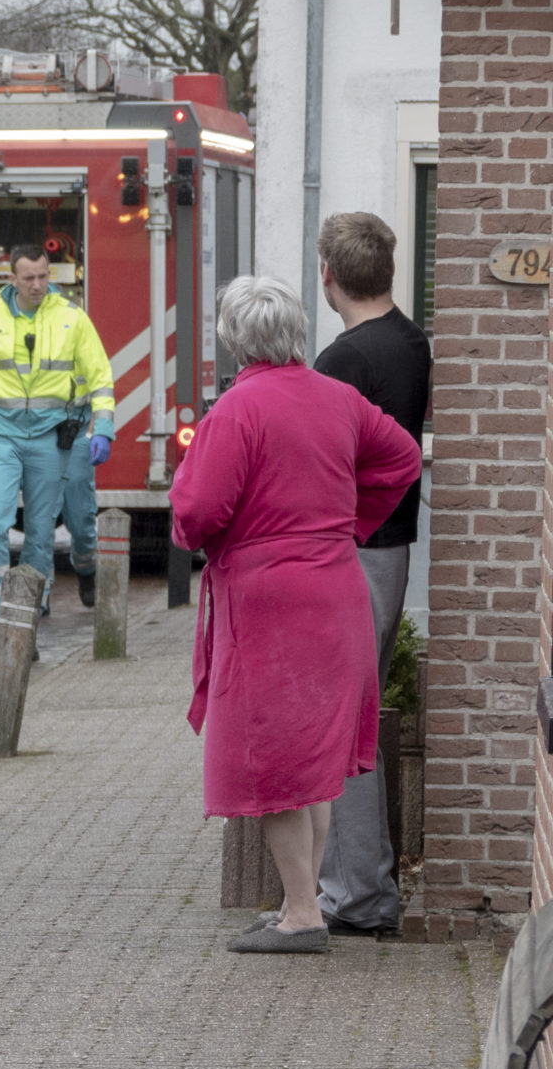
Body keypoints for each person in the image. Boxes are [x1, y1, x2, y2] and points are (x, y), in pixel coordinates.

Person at [169, 275, 422, 954]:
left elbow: (195, 515)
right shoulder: (339, 399)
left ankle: (303, 914)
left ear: (234, 339)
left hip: (269, 602)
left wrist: (218, 534)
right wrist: (353, 522)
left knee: (277, 760)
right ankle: (297, 905)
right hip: (338, 590)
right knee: (314, 758)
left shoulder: (238, 410)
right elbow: (404, 456)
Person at [310, 213, 431, 937]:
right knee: (359, 712)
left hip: (351, 550)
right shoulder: (415, 344)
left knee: (341, 722)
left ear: (328, 275)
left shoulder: (341, 362)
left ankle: (357, 894)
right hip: (394, 547)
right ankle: (366, 884)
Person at [0, 247, 114, 657]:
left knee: (41, 534)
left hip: (50, 436)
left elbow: (100, 376)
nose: (37, 285)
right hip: (1, 435)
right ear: (11, 279)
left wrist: (105, 427)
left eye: (43, 277)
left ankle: (23, 624)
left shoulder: (71, 319)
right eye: (28, 278)